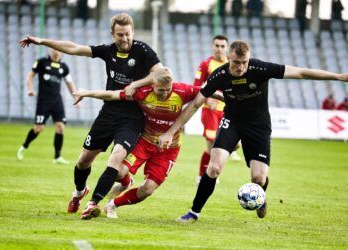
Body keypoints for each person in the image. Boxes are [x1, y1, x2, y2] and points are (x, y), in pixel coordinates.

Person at [158, 40, 348, 221]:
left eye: (244, 62)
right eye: (235, 63)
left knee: (258, 177)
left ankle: (261, 196)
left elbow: (301, 73)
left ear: (248, 59)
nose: (240, 67)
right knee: (214, 167)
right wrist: (171, 132)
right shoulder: (219, 75)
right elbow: (194, 105)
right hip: (232, 121)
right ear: (228, 58)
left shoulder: (261, 69)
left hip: (258, 125)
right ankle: (194, 212)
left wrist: (338, 76)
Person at [19, 13, 162, 220]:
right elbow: (74, 48)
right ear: (113, 35)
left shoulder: (142, 50)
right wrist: (41, 41)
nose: (125, 39)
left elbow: (159, 73)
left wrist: (136, 85)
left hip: (133, 117)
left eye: (128, 34)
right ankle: (79, 192)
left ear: (133, 32)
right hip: (108, 113)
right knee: (83, 162)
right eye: (120, 35)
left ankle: (93, 202)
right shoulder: (107, 51)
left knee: (117, 156)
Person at [72, 67, 222, 219]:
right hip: (144, 143)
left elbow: (209, 91)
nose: (164, 94)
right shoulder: (142, 92)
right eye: (160, 90)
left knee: (148, 190)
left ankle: (113, 204)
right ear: (152, 85)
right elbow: (112, 94)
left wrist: (230, 99)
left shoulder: (182, 91)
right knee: (118, 173)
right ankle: (126, 181)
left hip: (169, 149)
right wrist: (86, 93)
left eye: (167, 90)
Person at [193, 35, 241, 185]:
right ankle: (203, 175)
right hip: (210, 111)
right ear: (212, 46)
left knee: (237, 142)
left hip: (228, 110)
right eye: (217, 46)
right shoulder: (206, 64)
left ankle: (229, 151)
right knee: (212, 144)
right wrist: (207, 98)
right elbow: (197, 86)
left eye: (222, 46)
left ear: (227, 48)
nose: (219, 49)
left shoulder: (232, 64)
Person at [16, 49, 78, 164]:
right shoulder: (42, 62)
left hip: (57, 101)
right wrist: (30, 89)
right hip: (43, 101)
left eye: (59, 50)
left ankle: (57, 157)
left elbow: (69, 83)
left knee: (60, 127)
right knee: (38, 128)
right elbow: (30, 76)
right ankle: (24, 147)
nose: (56, 52)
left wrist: (76, 97)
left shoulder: (64, 67)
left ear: (62, 52)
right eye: (54, 49)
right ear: (50, 50)